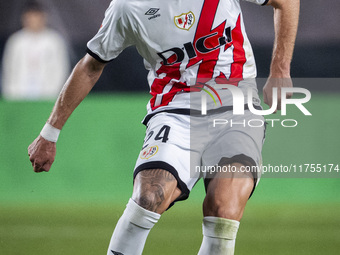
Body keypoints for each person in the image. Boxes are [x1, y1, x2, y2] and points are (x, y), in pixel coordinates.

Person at [28, 0, 299, 254]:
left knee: (224, 209)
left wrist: (280, 70)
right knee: (148, 197)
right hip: (175, 109)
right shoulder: (127, 7)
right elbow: (90, 66)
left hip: (236, 105)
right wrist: (49, 133)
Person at [1, 0, 69, 100]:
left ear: (44, 17)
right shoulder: (16, 41)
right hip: (19, 93)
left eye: (36, 16)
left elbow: (61, 69)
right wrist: (10, 93)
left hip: (48, 94)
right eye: (30, 17)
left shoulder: (54, 41)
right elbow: (8, 70)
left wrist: (56, 93)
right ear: (24, 18)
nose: (33, 20)